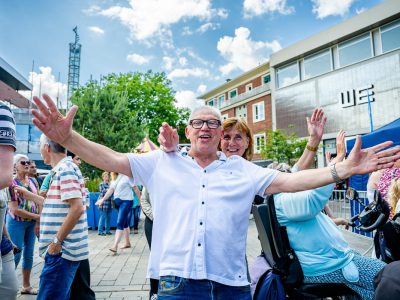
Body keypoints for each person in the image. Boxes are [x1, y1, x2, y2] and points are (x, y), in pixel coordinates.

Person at [31, 94, 400, 299]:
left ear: (219, 131)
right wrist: (66, 138)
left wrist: (341, 170)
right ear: (188, 130)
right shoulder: (161, 162)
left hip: (232, 286)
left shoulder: (242, 170)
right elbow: (108, 158)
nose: (206, 128)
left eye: (213, 123)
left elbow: (292, 182)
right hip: (178, 284)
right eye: (198, 123)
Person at [34, 134, 89, 299]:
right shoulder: (63, 169)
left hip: (61, 253)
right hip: (60, 254)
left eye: (40, 146)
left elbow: (77, 208)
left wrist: (56, 243)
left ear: (47, 148)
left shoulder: (65, 169)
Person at [6, 154, 40, 295]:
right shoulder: (10, 183)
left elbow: (38, 201)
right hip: (16, 223)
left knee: (29, 255)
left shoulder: (33, 181)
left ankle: (26, 286)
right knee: (15, 254)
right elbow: (15, 210)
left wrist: (38, 221)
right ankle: (6, 286)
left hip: (31, 224)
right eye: (23, 162)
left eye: (28, 162)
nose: (27, 164)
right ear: (14, 166)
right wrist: (37, 216)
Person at [0, 103, 18, 299]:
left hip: (2, 245)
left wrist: (7, 239)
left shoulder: (2, 112)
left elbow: (3, 177)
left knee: (9, 290)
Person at [97, 173, 138, 253]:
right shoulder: (114, 178)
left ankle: (115, 246)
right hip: (117, 203)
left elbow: (136, 189)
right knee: (125, 223)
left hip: (126, 202)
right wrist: (103, 199)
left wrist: (141, 201)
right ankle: (127, 243)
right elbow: (110, 190)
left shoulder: (128, 177)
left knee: (120, 223)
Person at [140, 187, 159, 299]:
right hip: (152, 222)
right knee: (155, 256)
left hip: (172, 223)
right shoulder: (153, 174)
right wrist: (155, 217)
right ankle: (154, 291)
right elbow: (144, 200)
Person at [97, 171, 112, 235]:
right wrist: (110, 189)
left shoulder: (110, 184)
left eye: (107, 176)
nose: (106, 177)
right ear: (103, 177)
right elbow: (102, 192)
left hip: (109, 203)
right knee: (102, 217)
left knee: (108, 218)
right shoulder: (101, 184)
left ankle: (107, 231)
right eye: (105, 176)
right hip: (103, 203)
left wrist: (110, 189)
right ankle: (100, 231)